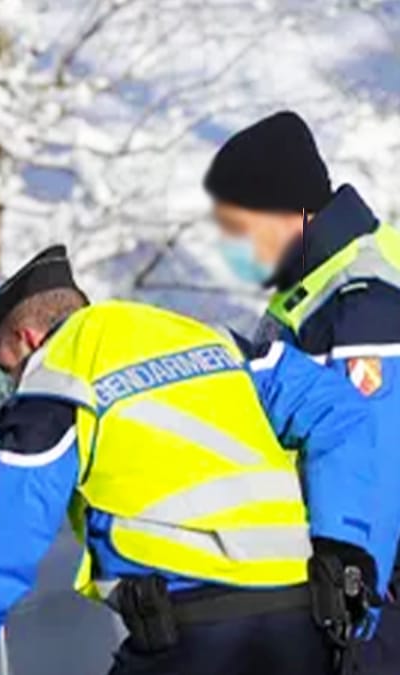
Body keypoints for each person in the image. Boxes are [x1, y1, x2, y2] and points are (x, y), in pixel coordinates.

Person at [0, 245, 383, 675]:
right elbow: (340, 411)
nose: (13, 383)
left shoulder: (59, 381)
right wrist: (343, 548)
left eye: (8, 367)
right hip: (301, 627)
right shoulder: (214, 342)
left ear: (30, 338)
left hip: (192, 639)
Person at [204, 111, 400, 673]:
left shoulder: (364, 303)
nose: (234, 245)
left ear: (289, 212)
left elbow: (376, 467)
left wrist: (351, 616)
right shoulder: (313, 291)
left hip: (377, 599)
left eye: (240, 226)